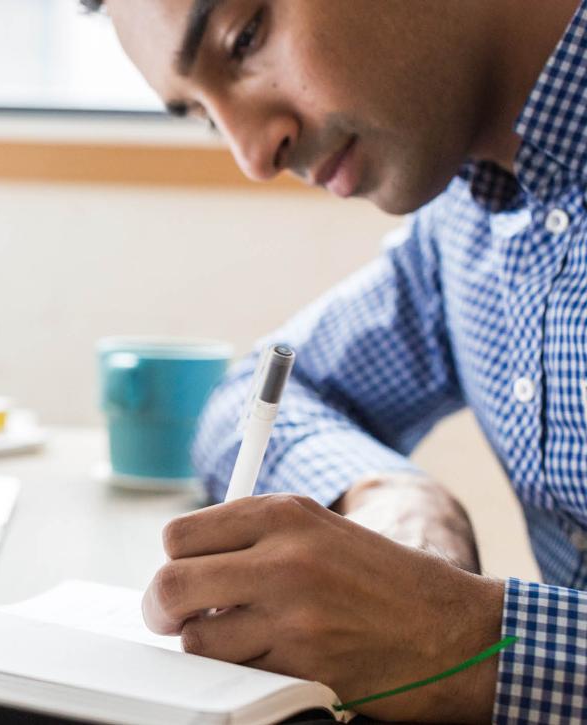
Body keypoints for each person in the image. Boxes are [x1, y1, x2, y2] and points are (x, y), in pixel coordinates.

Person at [82, 1, 587, 722]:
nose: (254, 156)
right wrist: (393, 493)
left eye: (245, 36)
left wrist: (460, 638)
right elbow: (249, 399)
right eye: (201, 113)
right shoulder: (465, 226)